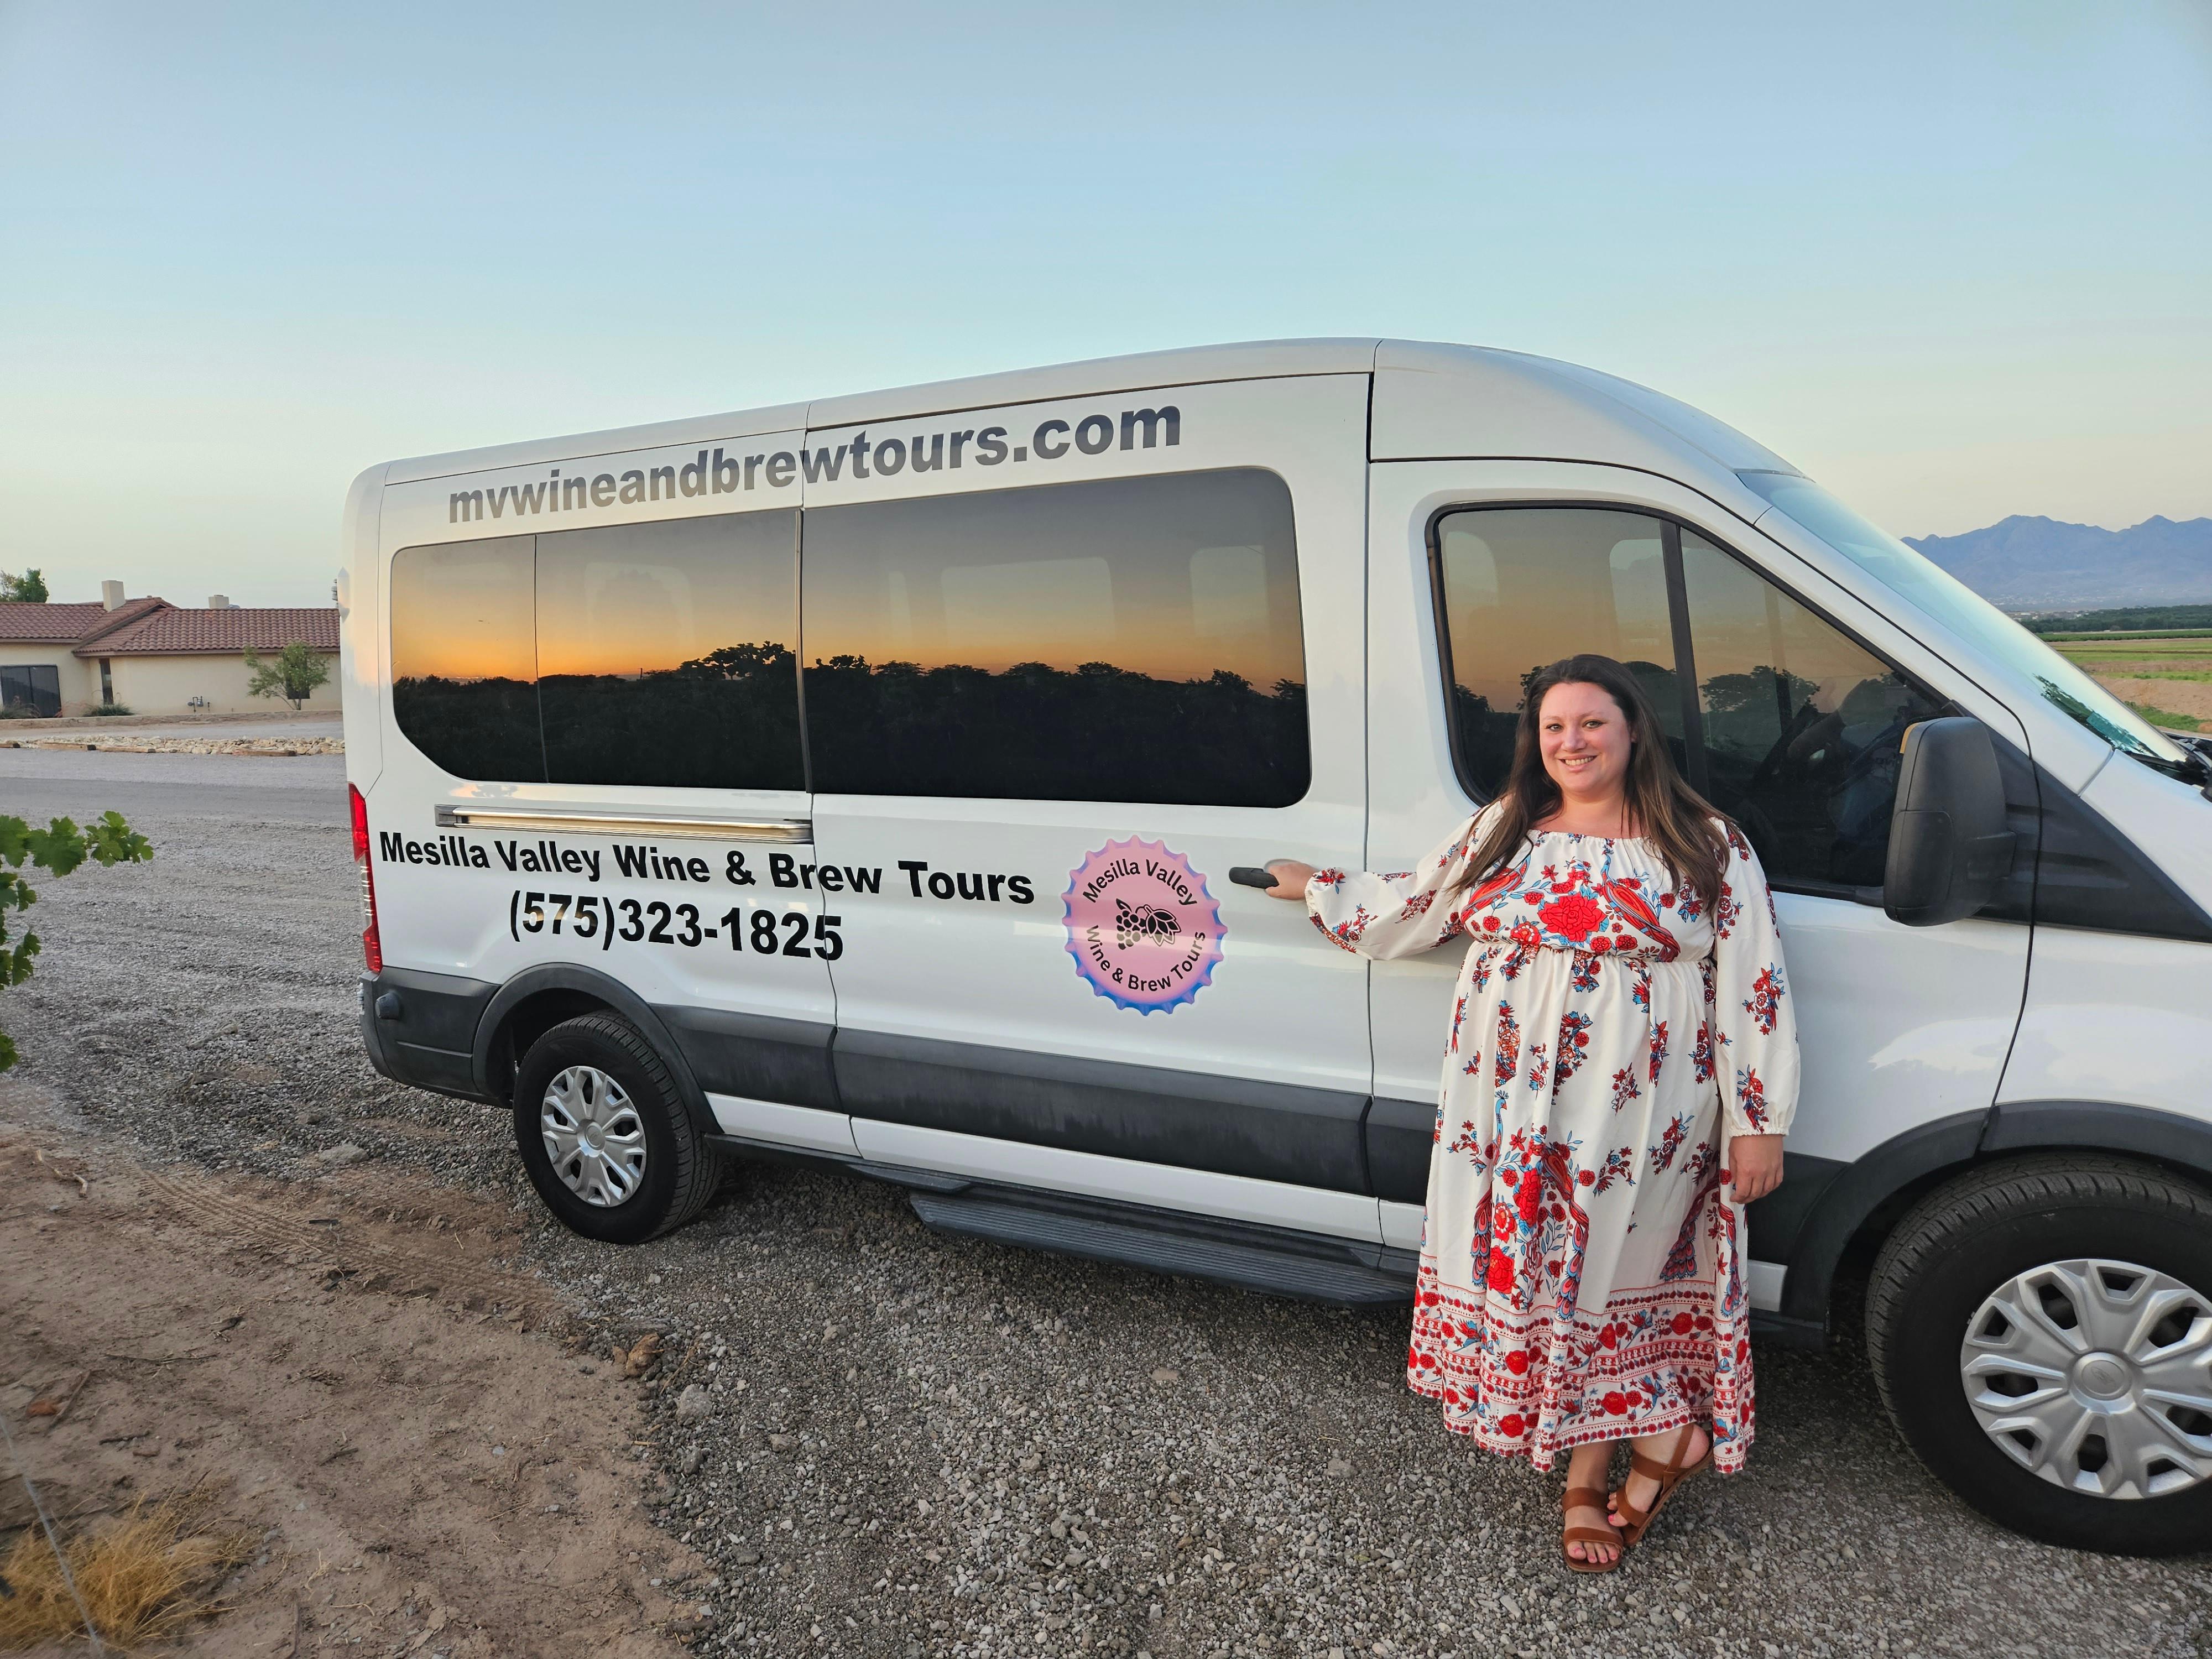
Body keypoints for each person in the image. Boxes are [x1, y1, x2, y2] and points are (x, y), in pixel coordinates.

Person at [1262, 654, 1797, 1572]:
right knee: (1549, 1275)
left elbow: (1756, 984)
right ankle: (1602, 1466)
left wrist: (1760, 1122)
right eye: (1554, 726)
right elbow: (1416, 905)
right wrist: (1319, 886)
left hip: (1646, 1113)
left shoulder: (1706, 841)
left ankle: (1650, 1447)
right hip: (1508, 1109)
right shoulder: (1508, 826)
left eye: (1591, 723)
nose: (1571, 742)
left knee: (1613, 1269)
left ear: (1633, 731)